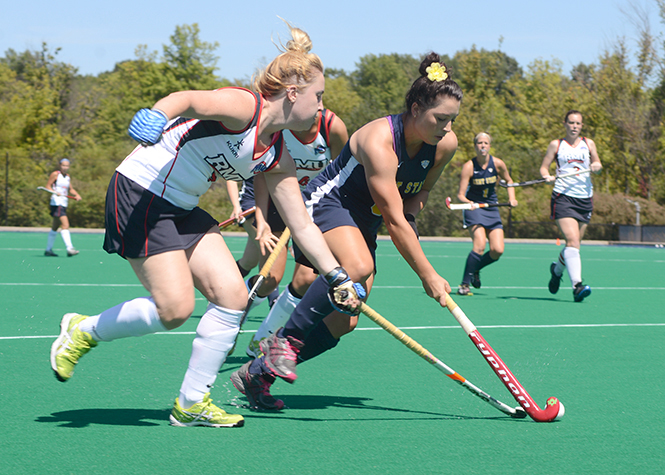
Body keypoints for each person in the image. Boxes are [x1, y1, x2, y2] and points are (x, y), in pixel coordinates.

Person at [49, 21, 364, 428]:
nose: (321, 107)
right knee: (175, 309)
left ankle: (192, 403)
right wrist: (157, 113)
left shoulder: (278, 152)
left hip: (181, 206)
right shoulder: (244, 107)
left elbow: (301, 223)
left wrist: (336, 275)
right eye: (318, 97)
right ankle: (83, 330)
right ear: (293, 93)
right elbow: (187, 99)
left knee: (233, 297)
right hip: (142, 192)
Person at [230, 53, 462, 411]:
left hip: (361, 223)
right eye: (440, 118)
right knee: (356, 267)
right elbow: (394, 219)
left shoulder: (444, 145)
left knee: (345, 320)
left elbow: (420, 192)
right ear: (415, 109)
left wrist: (414, 210)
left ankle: (257, 374)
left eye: (452, 120)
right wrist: (427, 275)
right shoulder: (379, 141)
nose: (446, 128)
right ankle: (285, 341)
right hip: (327, 205)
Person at [235, 109, 349, 357]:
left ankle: (261, 341)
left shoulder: (332, 128)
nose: (317, 106)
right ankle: (231, 312)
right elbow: (262, 172)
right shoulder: (278, 127)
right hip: (273, 198)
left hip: (314, 203)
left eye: (320, 97)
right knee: (270, 279)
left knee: (307, 279)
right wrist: (262, 220)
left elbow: (344, 174)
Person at [540, 110, 602, 302]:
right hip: (563, 197)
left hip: (584, 199)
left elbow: (597, 161)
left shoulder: (588, 144)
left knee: (573, 246)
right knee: (573, 241)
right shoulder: (556, 145)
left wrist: (597, 166)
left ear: (581, 126)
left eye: (578, 123)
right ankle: (577, 285)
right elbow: (544, 167)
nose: (574, 126)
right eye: (571, 123)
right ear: (565, 124)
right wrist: (546, 176)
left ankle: (557, 270)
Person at [455, 133, 517, 296]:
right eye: (479, 143)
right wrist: (469, 203)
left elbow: (509, 181)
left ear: (489, 146)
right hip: (474, 209)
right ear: (475, 146)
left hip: (491, 208)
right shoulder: (469, 166)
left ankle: (475, 269)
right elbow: (460, 194)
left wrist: (512, 198)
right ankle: (464, 284)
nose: (483, 146)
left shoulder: (497, 164)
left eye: (486, 143)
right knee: (480, 245)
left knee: (497, 250)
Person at [44, 158, 82, 257]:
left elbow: (71, 189)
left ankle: (48, 250)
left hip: (64, 203)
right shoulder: (55, 174)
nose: (65, 167)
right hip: (57, 203)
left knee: (55, 227)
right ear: (60, 166)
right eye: (63, 165)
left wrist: (76, 195)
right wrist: (55, 192)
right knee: (65, 225)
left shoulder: (68, 177)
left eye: (67, 166)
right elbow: (48, 186)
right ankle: (70, 248)